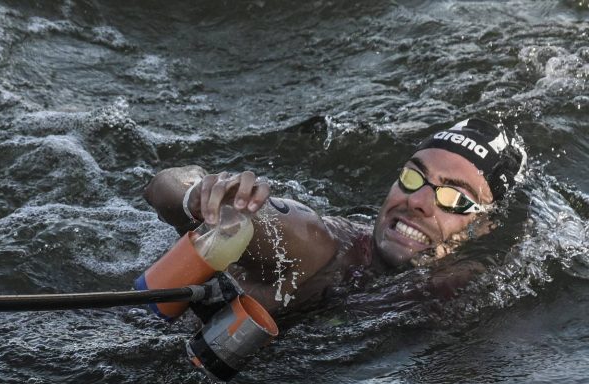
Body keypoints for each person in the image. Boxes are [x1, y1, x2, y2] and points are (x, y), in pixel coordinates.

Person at [143, 118, 527, 316]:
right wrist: (203, 197)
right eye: (413, 177)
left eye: (453, 196)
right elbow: (164, 186)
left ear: (487, 225)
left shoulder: (471, 288)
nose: (419, 201)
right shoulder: (324, 246)